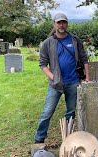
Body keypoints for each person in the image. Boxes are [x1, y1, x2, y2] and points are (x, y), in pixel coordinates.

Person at [34, 13, 90, 143]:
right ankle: (39, 139)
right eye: (59, 22)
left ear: (67, 24)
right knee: (47, 112)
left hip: (73, 82)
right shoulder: (48, 43)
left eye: (64, 22)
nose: (61, 25)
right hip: (55, 85)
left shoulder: (75, 40)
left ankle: (68, 138)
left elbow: (84, 59)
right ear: (54, 24)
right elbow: (42, 64)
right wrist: (53, 77)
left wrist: (87, 77)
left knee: (70, 112)